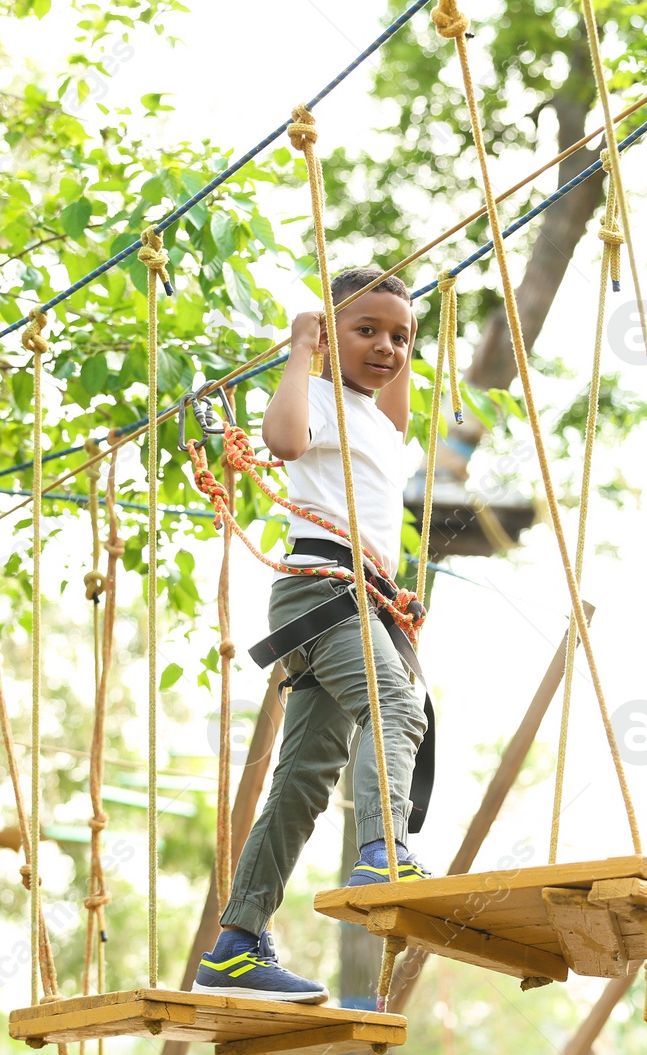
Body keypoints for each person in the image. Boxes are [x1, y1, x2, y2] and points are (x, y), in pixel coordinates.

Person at [192, 267, 433, 1003]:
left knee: (303, 777)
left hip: (353, 600)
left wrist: (404, 324)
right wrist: (303, 347)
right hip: (322, 592)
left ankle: (235, 942)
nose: (386, 347)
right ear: (333, 339)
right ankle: (385, 851)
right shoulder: (321, 397)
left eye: (399, 336)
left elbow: (395, 400)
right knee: (397, 705)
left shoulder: (380, 422)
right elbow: (282, 439)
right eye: (367, 332)